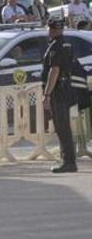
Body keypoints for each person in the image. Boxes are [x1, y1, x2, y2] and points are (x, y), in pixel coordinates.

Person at [41, 19, 79, 173]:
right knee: (64, 126)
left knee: (61, 126)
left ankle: (69, 162)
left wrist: (47, 94)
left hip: (58, 90)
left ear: (51, 30)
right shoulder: (67, 44)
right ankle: (68, 160)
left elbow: (54, 70)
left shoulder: (55, 46)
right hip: (66, 88)